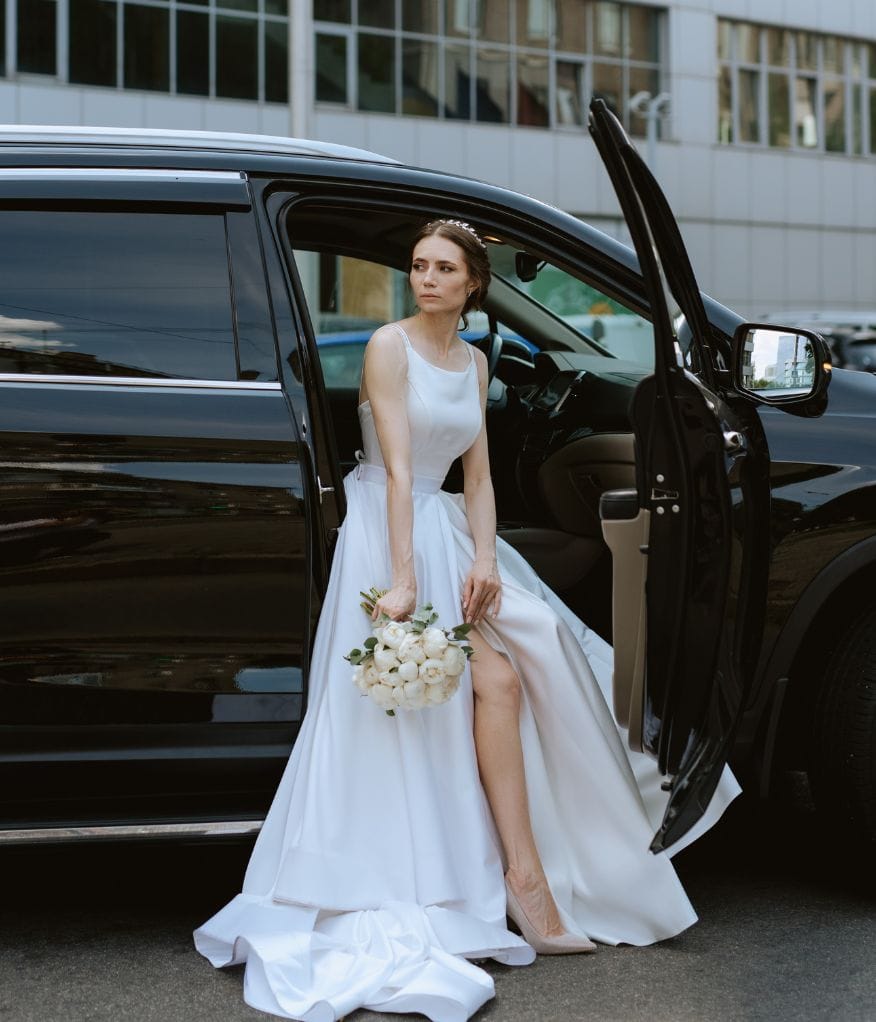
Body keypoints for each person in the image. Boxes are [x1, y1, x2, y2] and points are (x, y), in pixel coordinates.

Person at [194, 219, 740, 1022]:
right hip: (390, 533)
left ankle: (537, 873)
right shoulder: (388, 346)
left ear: (473, 284)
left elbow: (477, 478)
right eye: (418, 266)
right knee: (493, 679)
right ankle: (518, 880)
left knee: (538, 655)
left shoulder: (476, 360)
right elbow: (399, 469)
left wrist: (485, 559)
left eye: (443, 268)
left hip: (451, 531)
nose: (425, 279)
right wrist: (407, 579)